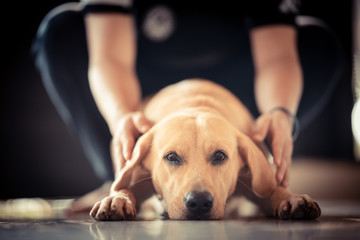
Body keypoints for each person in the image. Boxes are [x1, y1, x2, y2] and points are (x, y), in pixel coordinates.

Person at [33, 0, 341, 210]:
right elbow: (109, 58)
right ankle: (119, 179)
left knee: (318, 42)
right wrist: (124, 116)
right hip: (145, 79)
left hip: (240, 86)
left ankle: (249, 171)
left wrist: (280, 111)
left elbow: (278, 58)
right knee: (61, 29)